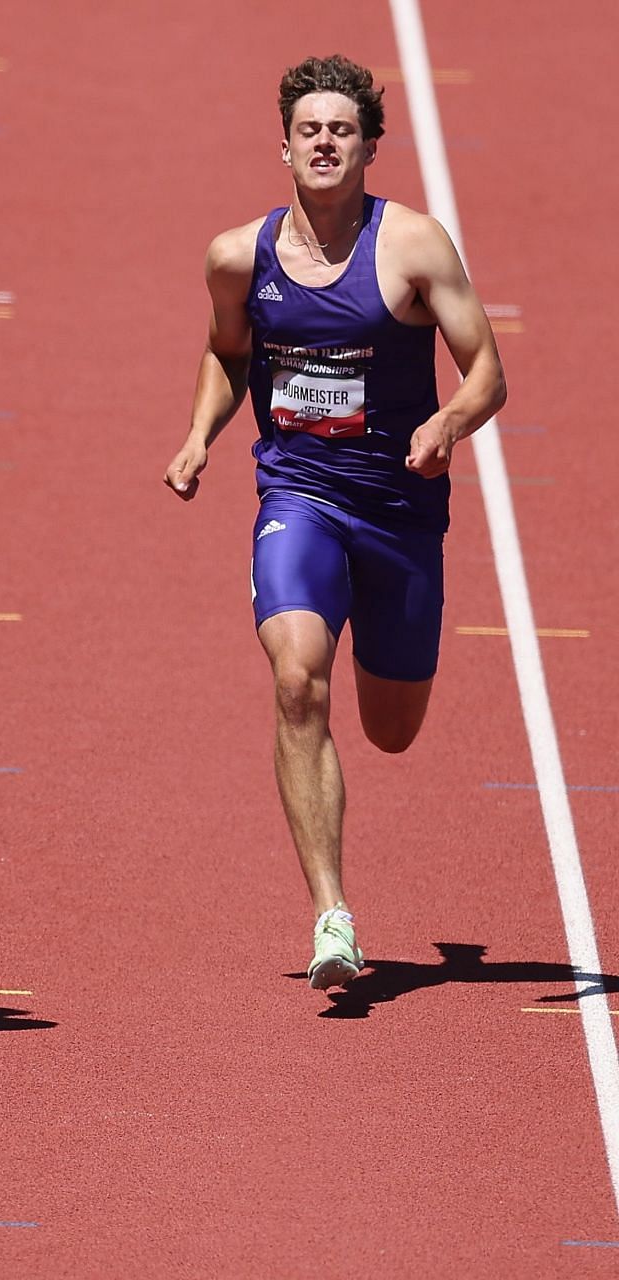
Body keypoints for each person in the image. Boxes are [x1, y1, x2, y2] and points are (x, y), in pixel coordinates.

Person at [163, 56, 506, 991]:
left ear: (367, 147)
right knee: (297, 680)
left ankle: (381, 647)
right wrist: (198, 436)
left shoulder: (416, 246)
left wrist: (446, 422)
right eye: (308, 129)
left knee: (392, 728)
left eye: (341, 130)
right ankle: (332, 915)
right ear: (283, 145)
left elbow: (488, 372)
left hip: (399, 509)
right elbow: (226, 354)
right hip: (299, 498)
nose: (323, 142)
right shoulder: (240, 256)